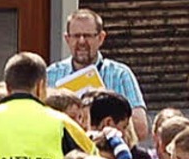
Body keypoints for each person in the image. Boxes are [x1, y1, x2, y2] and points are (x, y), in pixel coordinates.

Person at [47, 8, 148, 141]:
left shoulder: (120, 74)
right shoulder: (51, 74)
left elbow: (141, 129)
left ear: (101, 38)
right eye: (76, 36)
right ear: (67, 38)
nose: (82, 41)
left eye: (88, 36)